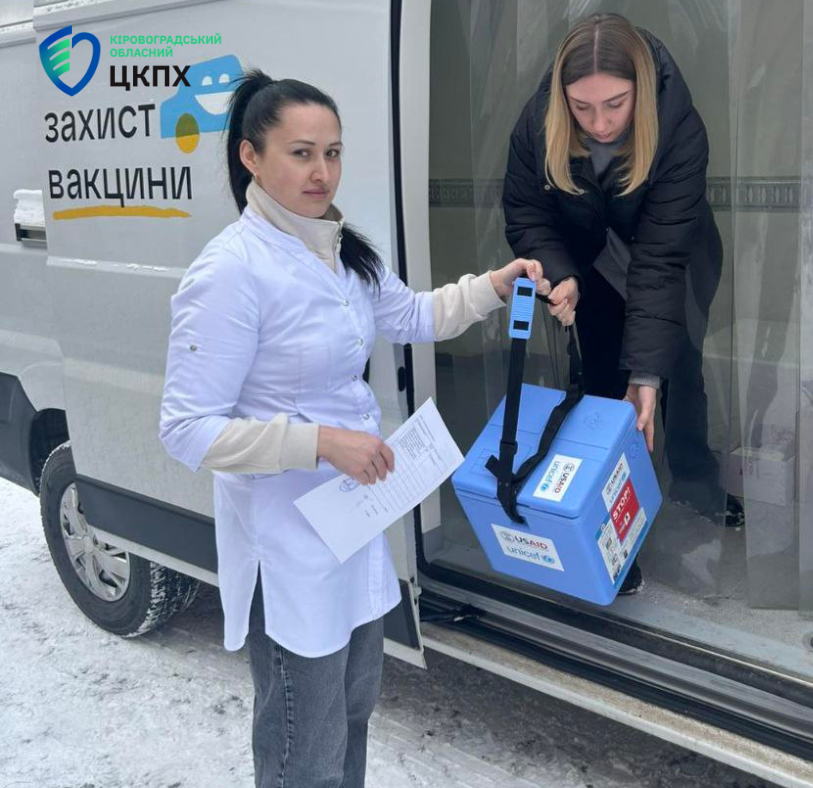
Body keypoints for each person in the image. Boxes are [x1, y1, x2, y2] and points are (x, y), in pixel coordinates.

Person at [159, 70, 555, 788]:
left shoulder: (340, 252)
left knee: (351, 714)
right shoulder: (231, 272)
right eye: (301, 153)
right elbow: (187, 429)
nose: (322, 172)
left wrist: (494, 287)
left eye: (333, 153)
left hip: (352, 525)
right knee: (303, 747)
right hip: (288, 542)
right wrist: (318, 443)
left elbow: (413, 316)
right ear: (251, 157)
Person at [502, 13, 743, 595]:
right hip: (594, 271)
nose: (600, 123)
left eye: (615, 104)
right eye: (582, 108)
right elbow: (527, 214)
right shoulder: (536, 123)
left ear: (641, 87)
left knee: (676, 373)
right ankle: (607, 527)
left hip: (672, 264)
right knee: (605, 393)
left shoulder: (679, 125)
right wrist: (562, 274)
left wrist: (648, 372)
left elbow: (661, 260)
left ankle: (695, 483)